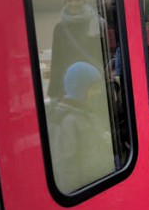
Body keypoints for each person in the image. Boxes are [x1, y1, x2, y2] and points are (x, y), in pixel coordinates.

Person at [48, 62, 114, 193]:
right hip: (87, 191)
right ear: (79, 89)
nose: (98, 92)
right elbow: (66, 168)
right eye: (93, 88)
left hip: (98, 184)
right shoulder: (66, 120)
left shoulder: (85, 112)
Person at [48, 0, 106, 99]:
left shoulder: (97, 23)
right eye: (69, 0)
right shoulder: (60, 28)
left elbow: (106, 55)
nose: (73, 3)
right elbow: (56, 61)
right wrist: (54, 92)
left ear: (84, 1)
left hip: (93, 84)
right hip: (69, 84)